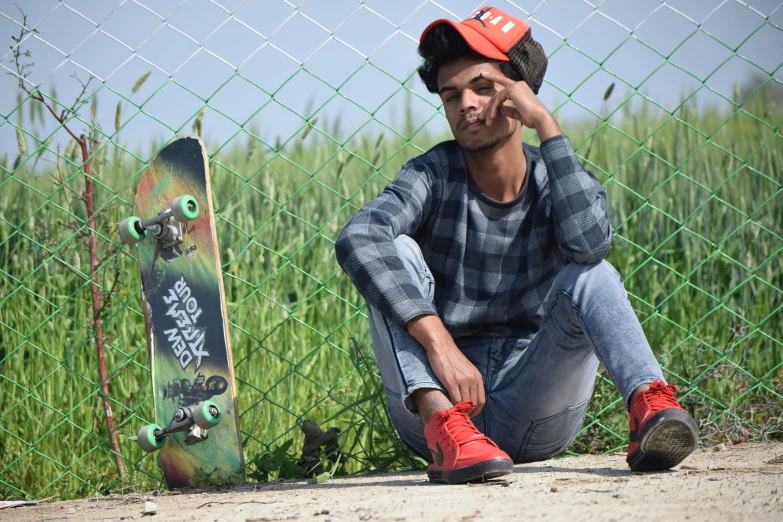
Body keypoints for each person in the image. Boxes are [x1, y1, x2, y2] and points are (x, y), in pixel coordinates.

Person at [334, 6, 699, 484]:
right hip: (440, 401)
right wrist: (439, 342)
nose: (465, 104)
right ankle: (449, 433)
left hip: (535, 405)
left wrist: (547, 126)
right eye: (451, 95)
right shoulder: (431, 174)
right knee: (389, 254)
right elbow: (358, 235)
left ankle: (651, 407)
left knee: (591, 274)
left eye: (483, 88)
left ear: (519, 94)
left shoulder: (556, 176)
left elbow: (589, 247)